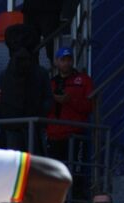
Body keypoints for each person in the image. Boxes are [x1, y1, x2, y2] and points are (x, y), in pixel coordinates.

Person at [43, 45, 93, 186]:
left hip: (74, 135)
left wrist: (69, 100)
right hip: (54, 135)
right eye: (63, 60)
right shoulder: (50, 83)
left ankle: (75, 201)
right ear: (57, 62)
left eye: (69, 59)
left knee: (74, 172)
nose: (66, 63)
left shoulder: (84, 80)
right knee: (54, 173)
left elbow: (89, 106)